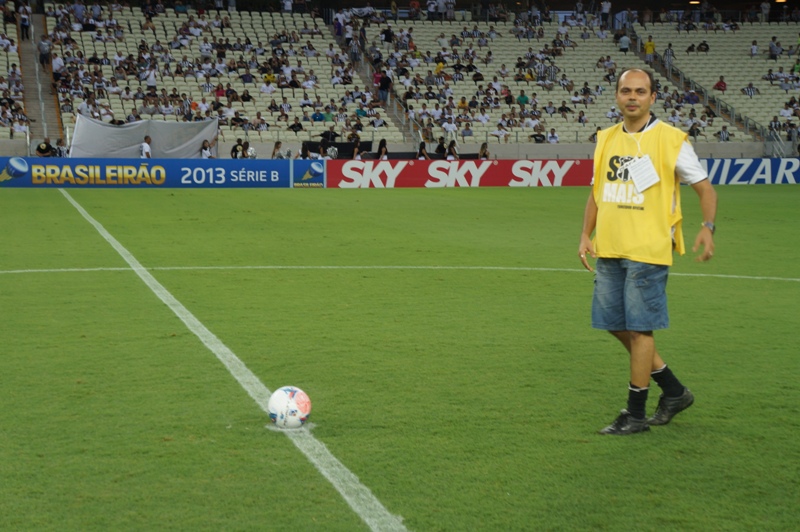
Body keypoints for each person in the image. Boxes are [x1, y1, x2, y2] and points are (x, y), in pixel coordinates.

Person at [577, 68, 717, 436]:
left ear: (653, 98)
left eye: (640, 91)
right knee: (614, 324)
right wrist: (584, 235)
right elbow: (597, 191)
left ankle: (635, 414)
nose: (633, 97)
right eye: (626, 91)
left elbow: (704, 188)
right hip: (610, 246)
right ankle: (673, 391)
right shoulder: (606, 138)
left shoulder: (671, 140)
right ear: (617, 97)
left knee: (640, 331)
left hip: (649, 250)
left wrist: (708, 227)